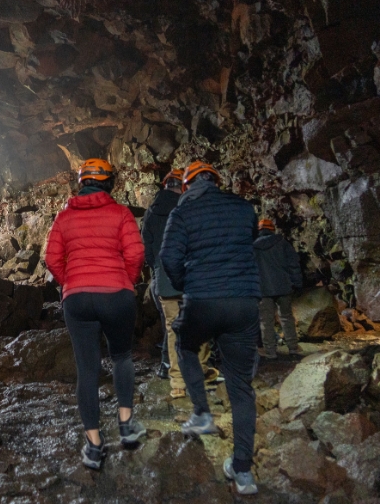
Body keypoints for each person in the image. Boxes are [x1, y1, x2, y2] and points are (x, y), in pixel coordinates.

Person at [159, 161, 261, 495]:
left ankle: (202, 412)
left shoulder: (182, 213)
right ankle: (243, 472)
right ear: (216, 182)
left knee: (185, 345)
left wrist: (189, 284)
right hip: (243, 303)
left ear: (186, 187)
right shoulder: (244, 208)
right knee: (241, 387)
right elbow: (249, 245)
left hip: (202, 300)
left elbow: (169, 259)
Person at [45, 158, 146, 470]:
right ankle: (127, 426)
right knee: (122, 356)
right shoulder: (120, 213)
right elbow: (136, 253)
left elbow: (51, 258)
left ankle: (94, 446)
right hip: (116, 294)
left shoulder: (64, 217)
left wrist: (70, 283)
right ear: (109, 183)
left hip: (78, 299)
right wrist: (125, 281)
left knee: (87, 370)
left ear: (81, 183)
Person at [142, 169, 216, 398]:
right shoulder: (190, 207)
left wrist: (157, 269)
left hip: (164, 280)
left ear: (164, 185)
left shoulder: (151, 213)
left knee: (173, 329)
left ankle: (177, 383)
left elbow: (146, 248)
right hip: (192, 278)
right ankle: (199, 375)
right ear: (182, 186)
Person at [254, 218, 303, 358]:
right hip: (284, 287)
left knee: (266, 320)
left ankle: (270, 351)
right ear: (272, 229)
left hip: (263, 290)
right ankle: (293, 347)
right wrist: (297, 283)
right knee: (287, 317)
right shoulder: (283, 244)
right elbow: (294, 265)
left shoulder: (253, 247)